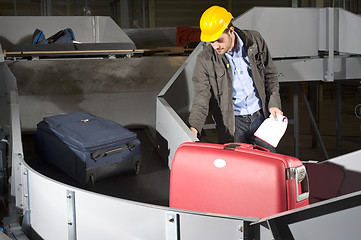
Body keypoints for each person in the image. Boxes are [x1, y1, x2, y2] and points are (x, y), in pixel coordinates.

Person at [188, 5, 283, 152]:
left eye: (219, 40)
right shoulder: (205, 59)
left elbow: (270, 74)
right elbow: (201, 96)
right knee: (236, 169)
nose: (215, 46)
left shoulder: (255, 41)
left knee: (267, 165)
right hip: (232, 124)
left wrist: (274, 104)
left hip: (260, 117)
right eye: (211, 41)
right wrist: (194, 127)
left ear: (231, 31)